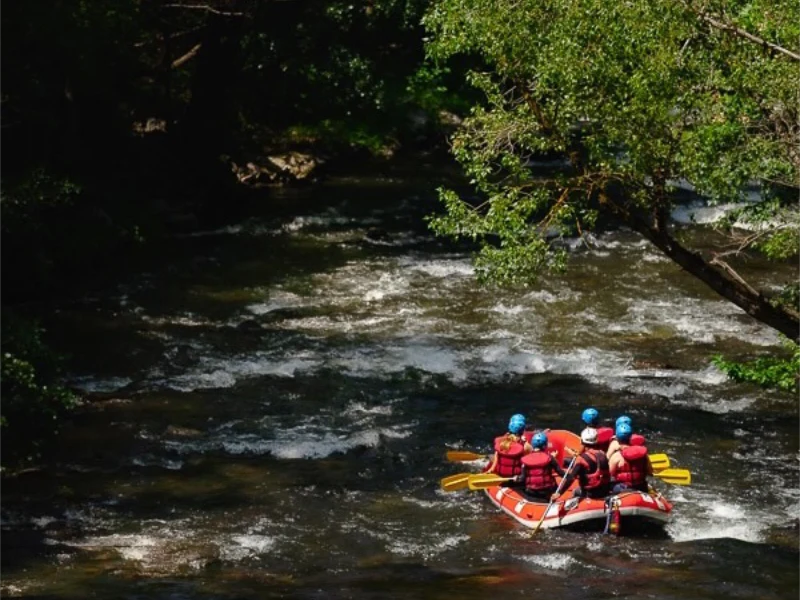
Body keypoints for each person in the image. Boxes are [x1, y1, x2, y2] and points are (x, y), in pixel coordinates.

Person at [560, 427, 610, 499]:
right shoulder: (603, 454)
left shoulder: (581, 459)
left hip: (590, 494)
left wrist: (559, 493)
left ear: (582, 441)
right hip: (605, 491)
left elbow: (571, 478)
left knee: (575, 491)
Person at [519, 432, 564, 502]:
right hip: (547, 492)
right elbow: (561, 474)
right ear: (545, 446)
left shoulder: (526, 459)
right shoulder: (550, 458)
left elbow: (522, 478)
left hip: (531, 492)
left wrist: (517, 479)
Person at [609, 422, 653, 493]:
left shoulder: (616, 456)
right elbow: (650, 471)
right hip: (641, 487)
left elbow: (609, 475)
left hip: (622, 489)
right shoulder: (643, 454)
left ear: (617, 438)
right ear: (630, 437)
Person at [487, 414, 531, 481]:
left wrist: (491, 469)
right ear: (523, 429)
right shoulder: (525, 445)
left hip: (501, 477)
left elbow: (496, 457)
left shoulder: (500, 442)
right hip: (517, 480)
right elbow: (532, 460)